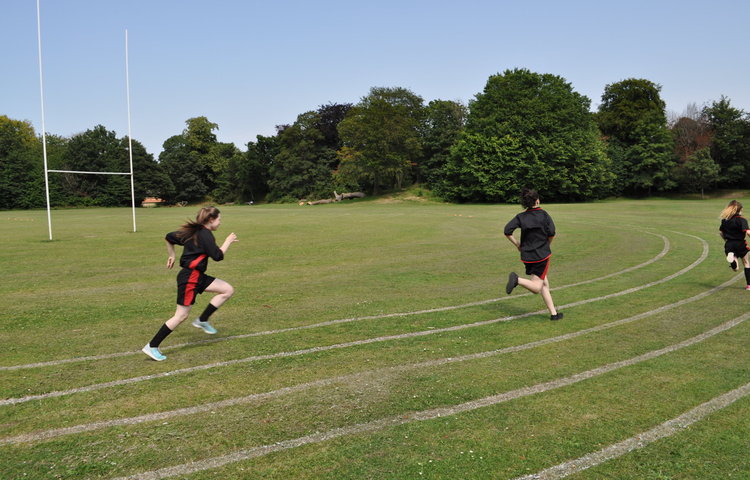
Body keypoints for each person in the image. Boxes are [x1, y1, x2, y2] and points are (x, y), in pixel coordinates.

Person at [142, 206, 238, 361]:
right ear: (211, 220)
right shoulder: (205, 234)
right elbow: (218, 256)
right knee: (181, 316)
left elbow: (169, 237)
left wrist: (172, 255)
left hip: (198, 276)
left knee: (227, 289)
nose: (220, 222)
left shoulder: (193, 231)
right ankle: (152, 346)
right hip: (190, 278)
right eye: (219, 219)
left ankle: (202, 320)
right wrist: (228, 241)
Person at [503, 188, 563, 321]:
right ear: (537, 201)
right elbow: (552, 233)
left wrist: (518, 244)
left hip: (527, 257)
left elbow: (507, 231)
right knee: (536, 287)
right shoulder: (544, 214)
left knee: (544, 283)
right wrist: (547, 244)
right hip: (541, 256)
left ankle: (554, 314)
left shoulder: (521, 216)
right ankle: (517, 280)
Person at [719, 199, 750, 290]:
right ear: (739, 210)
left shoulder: (725, 220)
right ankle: (749, 285)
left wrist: (726, 240)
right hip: (740, 244)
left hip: (729, 244)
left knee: (735, 268)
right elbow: (748, 232)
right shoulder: (742, 220)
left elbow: (721, 233)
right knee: (746, 263)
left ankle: (732, 259)